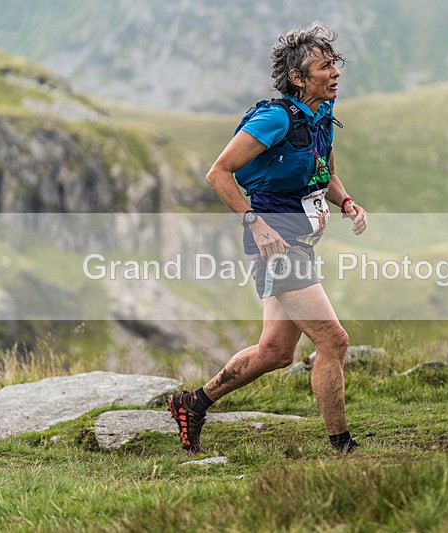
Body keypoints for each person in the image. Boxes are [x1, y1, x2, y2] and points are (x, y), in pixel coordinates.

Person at [168, 21, 367, 454]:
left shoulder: (323, 115)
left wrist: (347, 202)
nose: (335, 73)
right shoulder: (275, 118)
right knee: (333, 341)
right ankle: (342, 446)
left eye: (335, 64)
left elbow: (325, 174)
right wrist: (255, 224)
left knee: (275, 352)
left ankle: (192, 404)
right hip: (276, 246)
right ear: (298, 78)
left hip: (301, 242)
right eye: (324, 67)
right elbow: (218, 174)